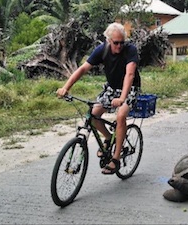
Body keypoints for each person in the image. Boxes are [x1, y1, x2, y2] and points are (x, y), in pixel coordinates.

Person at [56, 22, 141, 175]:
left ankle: (115, 159)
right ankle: (109, 138)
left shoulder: (130, 50)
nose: (119, 46)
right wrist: (65, 88)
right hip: (112, 88)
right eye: (116, 43)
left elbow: (130, 74)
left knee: (121, 116)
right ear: (108, 40)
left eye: (122, 42)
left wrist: (122, 98)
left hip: (130, 89)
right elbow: (82, 69)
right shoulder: (102, 50)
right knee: (93, 115)